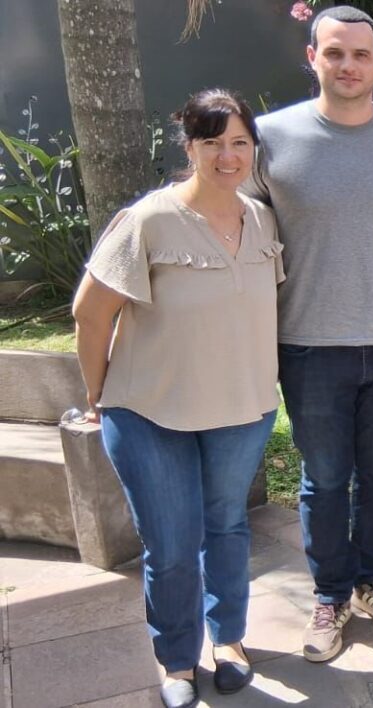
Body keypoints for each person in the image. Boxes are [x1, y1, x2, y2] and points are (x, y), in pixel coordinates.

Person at [73, 89, 281, 708]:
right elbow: (89, 314)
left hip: (241, 410)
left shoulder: (262, 218)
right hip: (150, 414)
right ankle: (176, 662)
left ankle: (230, 642)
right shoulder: (149, 220)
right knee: (170, 545)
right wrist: (97, 393)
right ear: (188, 146)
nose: (227, 155)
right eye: (212, 142)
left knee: (227, 526)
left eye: (239, 142)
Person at [245, 5, 373, 662]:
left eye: (360, 54)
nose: (348, 65)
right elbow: (239, 236)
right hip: (307, 342)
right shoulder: (268, 138)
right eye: (335, 53)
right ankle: (329, 593)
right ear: (312, 58)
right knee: (325, 477)